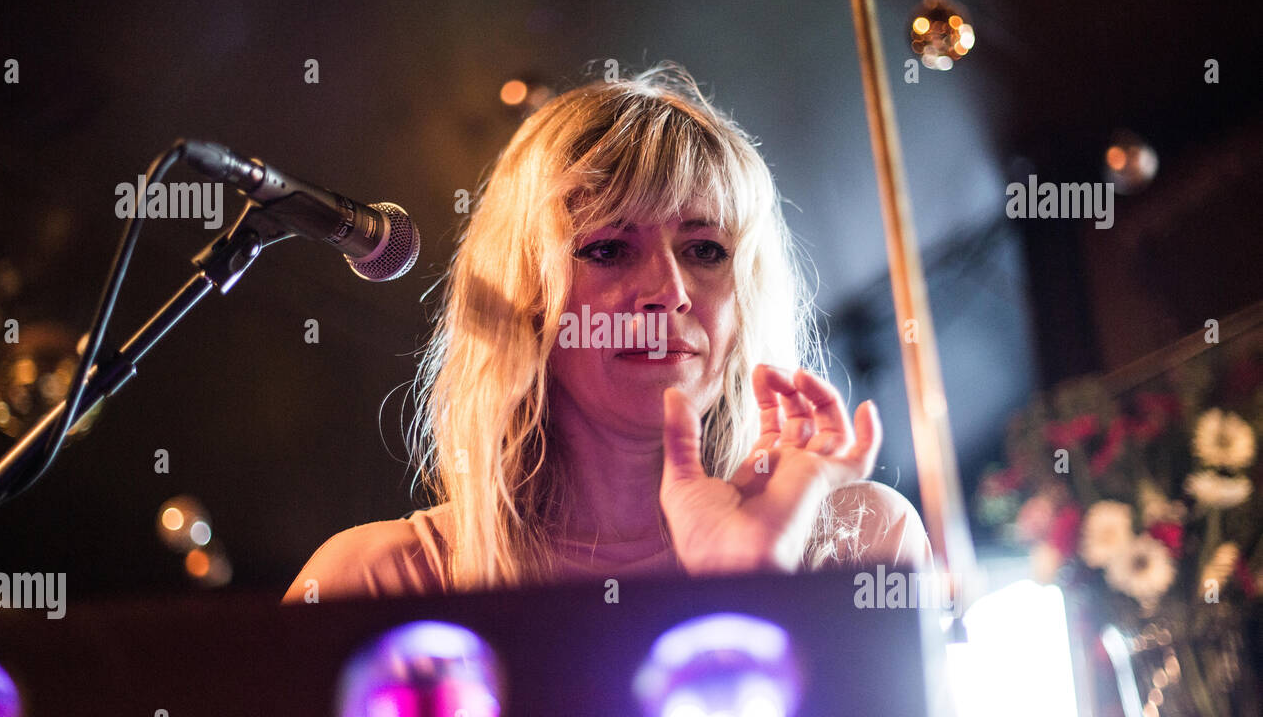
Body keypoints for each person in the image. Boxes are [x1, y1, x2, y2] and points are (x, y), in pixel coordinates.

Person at [283, 62, 932, 603]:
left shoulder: (857, 545)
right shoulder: (369, 586)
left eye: (705, 249)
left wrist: (754, 584)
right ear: (526, 300)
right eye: (608, 249)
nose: (671, 292)